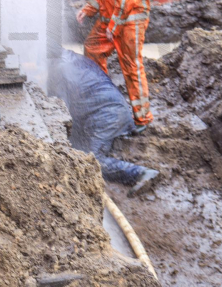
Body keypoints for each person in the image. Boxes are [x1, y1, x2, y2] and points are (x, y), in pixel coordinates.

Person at [48, 49, 160, 197]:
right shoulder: (66, 56)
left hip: (108, 117)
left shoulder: (58, 70)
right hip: (109, 110)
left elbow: (61, 114)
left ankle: (141, 173)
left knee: (90, 162)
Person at [76, 0, 153, 132]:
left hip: (129, 21)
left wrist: (114, 25)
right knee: (92, 47)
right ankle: (103, 98)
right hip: (113, 18)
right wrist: (89, 8)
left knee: (131, 67)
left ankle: (142, 119)